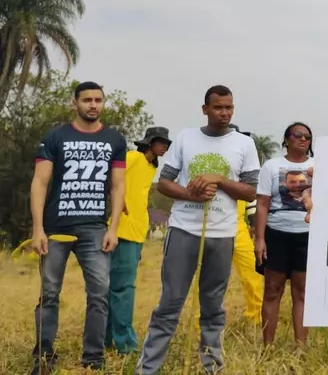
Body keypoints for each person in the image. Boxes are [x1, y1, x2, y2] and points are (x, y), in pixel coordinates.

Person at [135, 85, 261, 374]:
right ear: (205, 109)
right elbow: (165, 183)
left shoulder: (244, 144)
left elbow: (251, 192)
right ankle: (147, 369)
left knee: (213, 307)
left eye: (229, 107)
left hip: (222, 233)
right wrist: (192, 194)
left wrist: (218, 179)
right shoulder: (186, 137)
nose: (224, 113)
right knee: (170, 304)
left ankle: (211, 368)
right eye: (218, 107)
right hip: (183, 230)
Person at [28, 81, 127, 373]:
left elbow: (118, 186)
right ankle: (43, 358)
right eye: (87, 100)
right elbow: (39, 182)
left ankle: (93, 360)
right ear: (75, 103)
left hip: (95, 228)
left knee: (99, 293)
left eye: (98, 100)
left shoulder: (114, 140)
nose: (93, 105)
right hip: (56, 228)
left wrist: (114, 227)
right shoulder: (56, 137)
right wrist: (37, 229)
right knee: (49, 293)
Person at [105, 126, 172, 355]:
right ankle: (126, 344)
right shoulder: (132, 157)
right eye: (162, 142)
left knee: (115, 287)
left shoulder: (150, 167)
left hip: (137, 231)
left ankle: (106, 339)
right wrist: (117, 202)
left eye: (167, 144)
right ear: (151, 142)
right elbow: (109, 174)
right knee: (124, 288)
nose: (165, 147)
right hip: (122, 229)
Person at [254, 122, 314, 348]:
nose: (303, 139)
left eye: (307, 137)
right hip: (276, 233)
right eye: (298, 135)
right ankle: (267, 347)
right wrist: (260, 239)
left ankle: (301, 348)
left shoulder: (318, 166)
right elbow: (262, 204)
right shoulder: (271, 166)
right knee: (272, 290)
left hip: (306, 235)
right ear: (286, 139)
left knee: (302, 292)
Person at [228, 123, 265, 324]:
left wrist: (254, 224)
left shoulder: (246, 167)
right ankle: (202, 323)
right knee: (209, 279)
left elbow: (252, 199)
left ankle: (256, 317)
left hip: (239, 227)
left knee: (253, 273)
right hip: (214, 227)